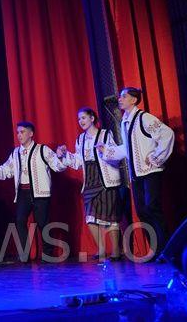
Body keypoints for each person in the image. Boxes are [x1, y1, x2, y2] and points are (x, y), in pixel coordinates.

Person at [102, 87, 174, 260]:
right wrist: (107, 151)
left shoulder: (144, 118)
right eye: (120, 97)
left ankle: (166, 250)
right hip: (136, 175)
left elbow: (167, 134)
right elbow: (128, 149)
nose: (120, 99)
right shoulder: (125, 122)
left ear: (134, 100)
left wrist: (156, 156)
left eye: (124, 96)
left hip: (150, 172)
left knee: (152, 208)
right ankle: (155, 250)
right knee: (142, 211)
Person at [0, 121, 67, 262]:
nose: (19, 135)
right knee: (20, 221)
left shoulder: (42, 149)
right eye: (18, 132)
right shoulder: (16, 153)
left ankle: (48, 254)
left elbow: (57, 166)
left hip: (40, 192)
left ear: (31, 133)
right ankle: (24, 255)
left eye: (22, 132)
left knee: (42, 223)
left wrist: (60, 155)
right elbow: (6, 171)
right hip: (23, 193)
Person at [56, 107, 122, 261]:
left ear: (92, 118)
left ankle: (116, 251)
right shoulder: (80, 139)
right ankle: (101, 249)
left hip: (105, 178)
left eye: (84, 118)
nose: (81, 121)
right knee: (90, 216)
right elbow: (78, 162)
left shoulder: (105, 134)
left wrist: (105, 150)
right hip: (90, 180)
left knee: (110, 216)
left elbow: (116, 155)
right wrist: (65, 155)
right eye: (79, 119)